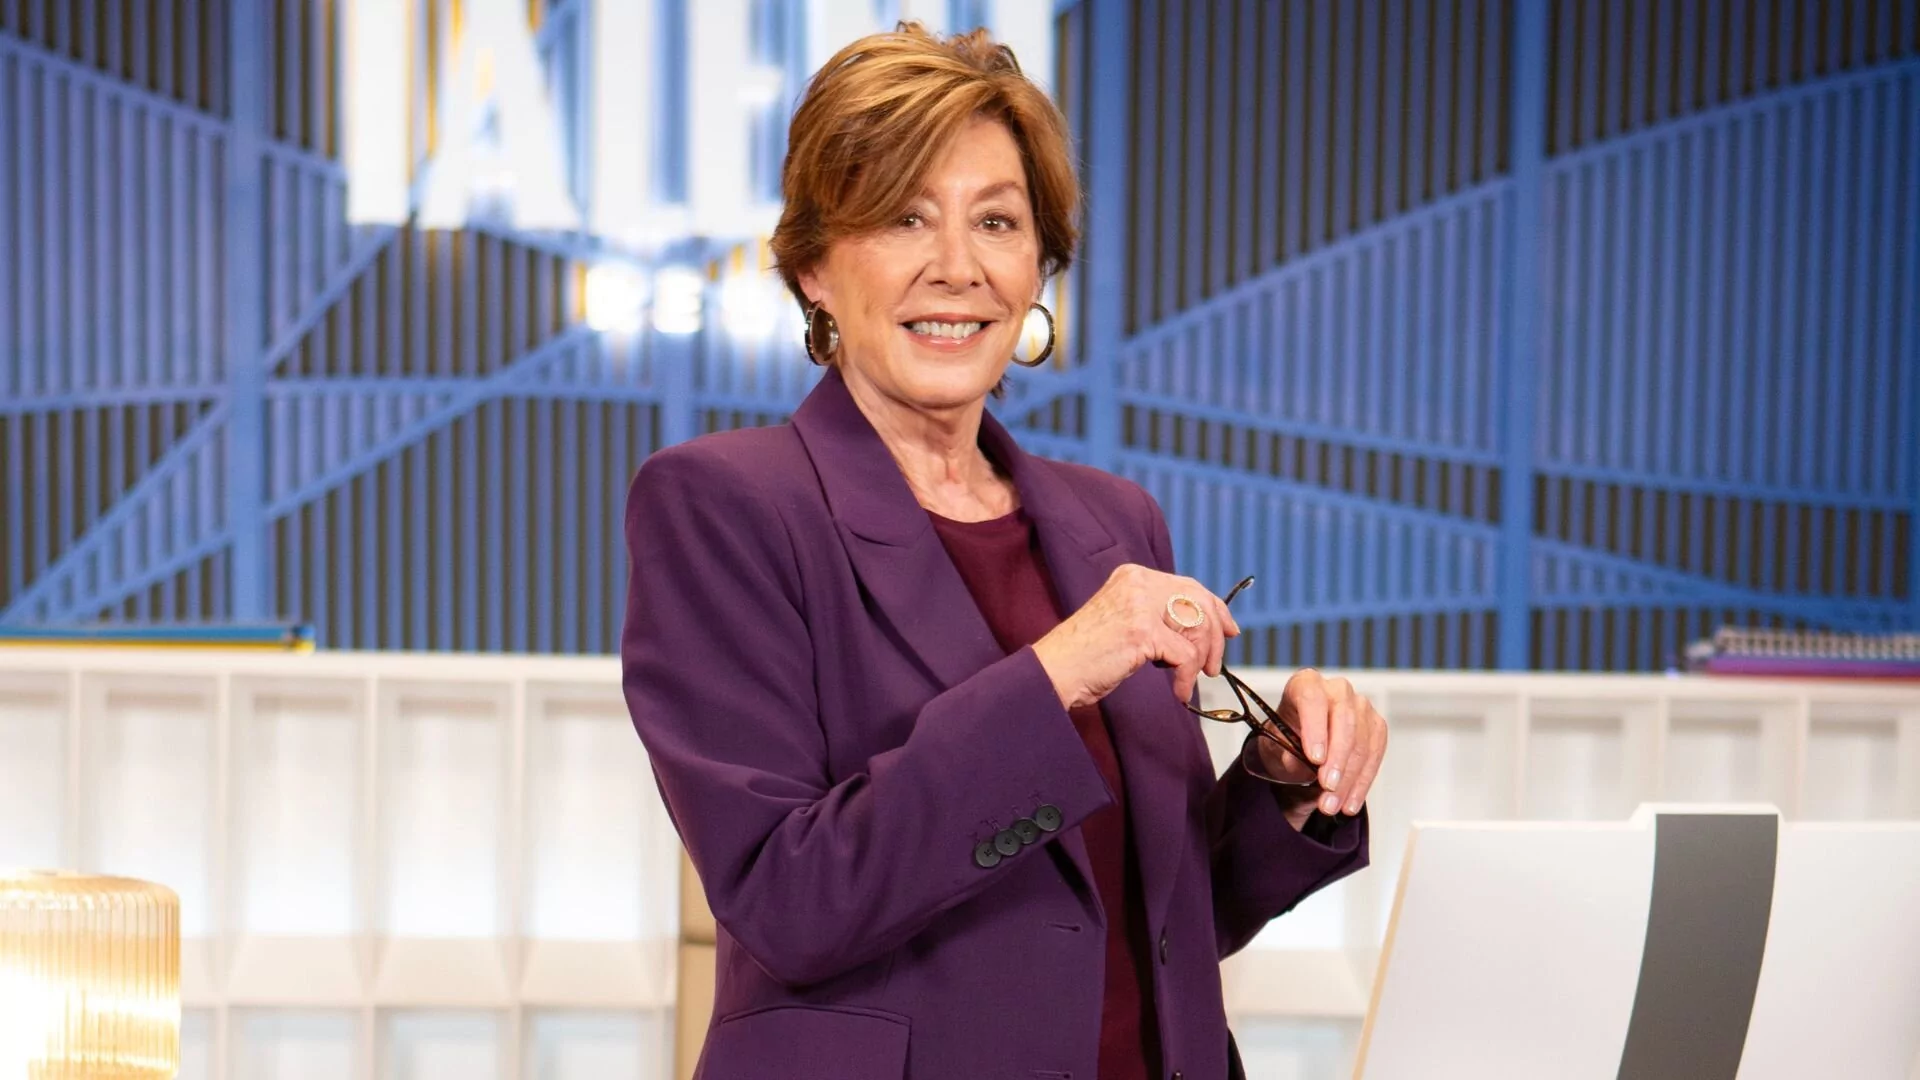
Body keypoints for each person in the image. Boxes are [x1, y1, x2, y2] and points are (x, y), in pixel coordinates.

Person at [621, 23, 1389, 1080]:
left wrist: (1282, 784)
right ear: (813, 267)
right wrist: (1060, 668)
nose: (958, 268)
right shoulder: (724, 504)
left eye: (996, 221)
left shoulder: (1114, 522)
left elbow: (1146, 925)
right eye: (903, 217)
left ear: (1038, 267)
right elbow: (790, 900)